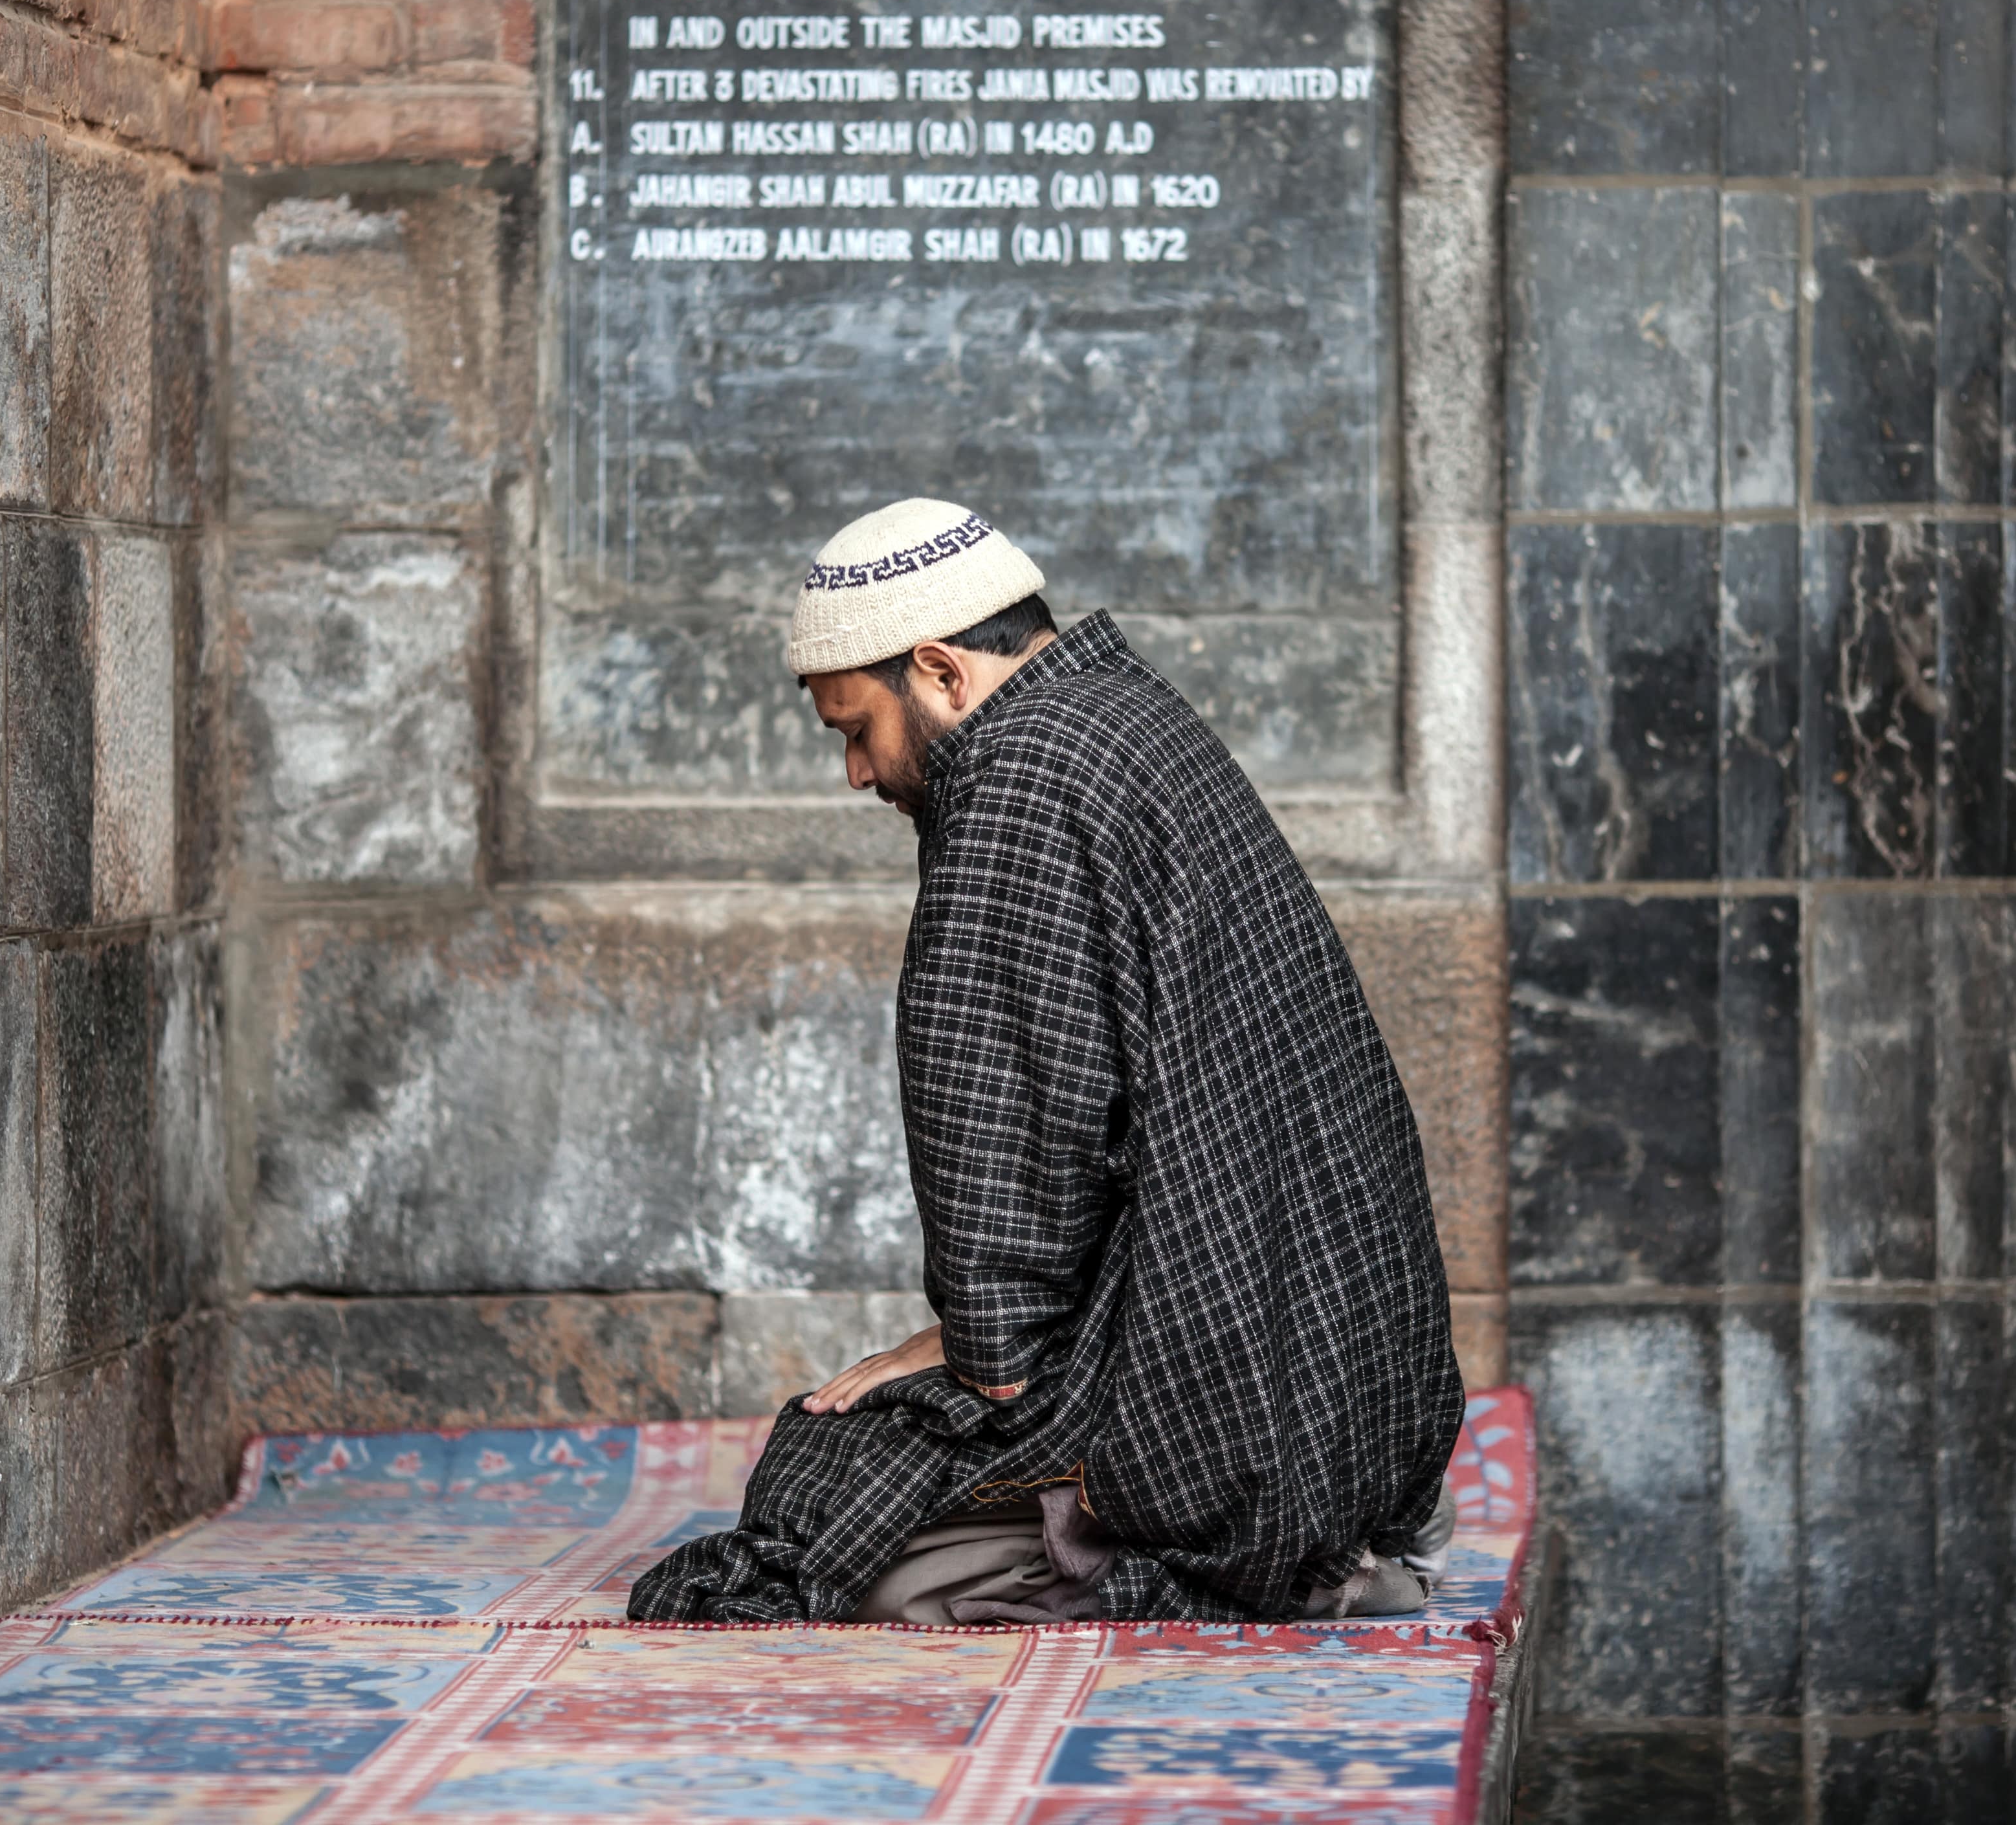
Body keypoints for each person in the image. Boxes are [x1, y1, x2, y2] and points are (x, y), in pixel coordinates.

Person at [627, 498, 1464, 1625]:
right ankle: (1320, 1528)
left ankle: (1255, 1557)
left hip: (1249, 1402)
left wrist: (984, 1355)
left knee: (826, 1491)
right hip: (1350, 1389)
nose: (858, 775)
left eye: (855, 729)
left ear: (939, 671)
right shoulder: (1124, 713)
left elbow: (1010, 1124)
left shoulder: (1015, 780)